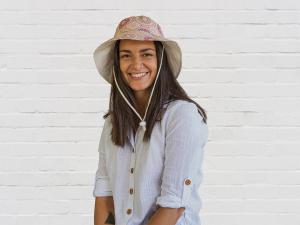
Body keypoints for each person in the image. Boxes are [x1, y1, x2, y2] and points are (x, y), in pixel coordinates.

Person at [92, 15, 208, 225]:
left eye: (146, 54)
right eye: (126, 56)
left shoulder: (181, 116)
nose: (136, 64)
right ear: (118, 63)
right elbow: (105, 196)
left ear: (160, 60)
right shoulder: (113, 122)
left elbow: (173, 206)